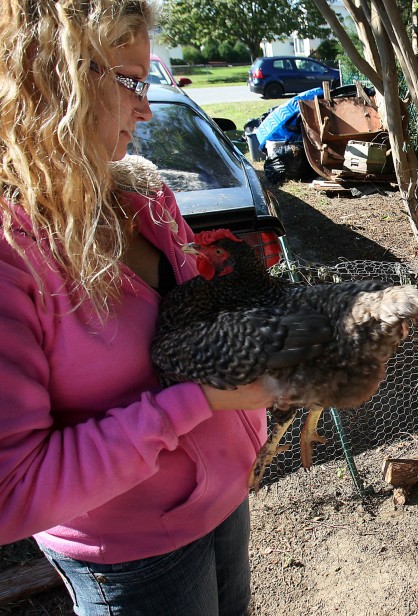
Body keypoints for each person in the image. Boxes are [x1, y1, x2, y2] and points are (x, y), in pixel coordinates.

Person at [0, 2, 277, 614]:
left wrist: (267, 348)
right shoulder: (12, 254)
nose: (146, 107)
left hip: (226, 496)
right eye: (130, 81)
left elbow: (186, 332)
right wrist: (205, 398)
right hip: (130, 552)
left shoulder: (145, 195)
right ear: (54, 78)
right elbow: (10, 492)